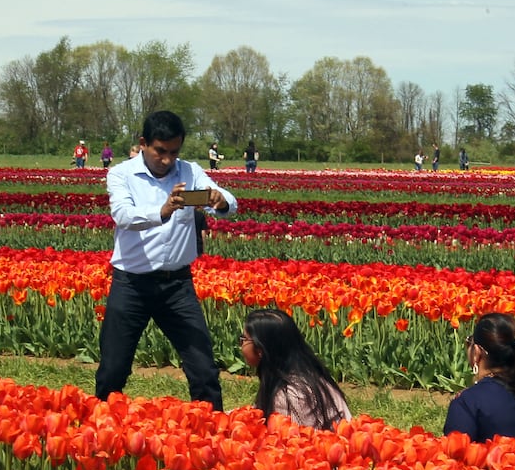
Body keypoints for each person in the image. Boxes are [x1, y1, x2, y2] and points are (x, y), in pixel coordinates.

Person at [95, 110, 238, 411]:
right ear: (144, 143)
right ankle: (102, 433)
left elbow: (229, 202)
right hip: (131, 284)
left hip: (177, 285)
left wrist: (218, 199)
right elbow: (123, 216)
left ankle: (211, 434)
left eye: (174, 152)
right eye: (160, 151)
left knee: (203, 367)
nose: (167, 160)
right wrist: (163, 210)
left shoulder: (190, 171)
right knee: (113, 369)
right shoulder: (121, 174)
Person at [444, 312, 515, 443]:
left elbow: (454, 458)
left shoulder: (467, 403)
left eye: (469, 343)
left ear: (477, 352)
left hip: (489, 464)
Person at [240, 308, 351, 430]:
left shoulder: (294, 394)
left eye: (244, 339)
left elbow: (299, 441)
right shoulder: (295, 375)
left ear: (260, 349)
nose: (241, 345)